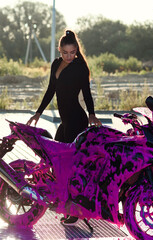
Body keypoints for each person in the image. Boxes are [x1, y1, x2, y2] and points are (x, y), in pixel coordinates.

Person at [27, 30, 101, 225]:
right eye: (65, 52)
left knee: (70, 167)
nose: (69, 56)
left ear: (76, 50)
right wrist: (38, 112)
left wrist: (92, 114)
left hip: (77, 120)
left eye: (73, 52)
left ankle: (75, 210)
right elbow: (51, 90)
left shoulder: (80, 67)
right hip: (65, 121)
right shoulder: (55, 64)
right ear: (59, 50)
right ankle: (64, 202)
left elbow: (87, 92)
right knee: (56, 162)